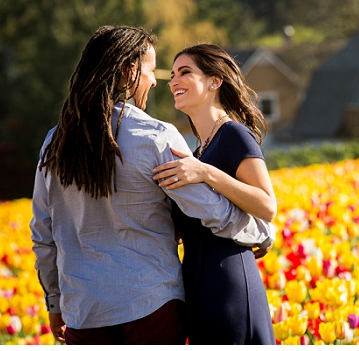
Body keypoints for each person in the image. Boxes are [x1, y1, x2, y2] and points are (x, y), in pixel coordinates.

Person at [30, 26, 274, 345]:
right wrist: (262, 232)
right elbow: (210, 210)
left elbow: (43, 232)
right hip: (151, 306)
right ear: (131, 72)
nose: (156, 80)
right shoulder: (155, 137)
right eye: (150, 70)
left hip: (84, 310)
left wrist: (54, 301)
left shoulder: (55, 143)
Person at [152, 44, 277, 344]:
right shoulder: (197, 151)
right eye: (172, 75)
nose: (173, 82)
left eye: (185, 72)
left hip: (228, 280)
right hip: (195, 282)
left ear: (214, 81)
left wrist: (206, 173)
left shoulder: (234, 135)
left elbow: (267, 205)